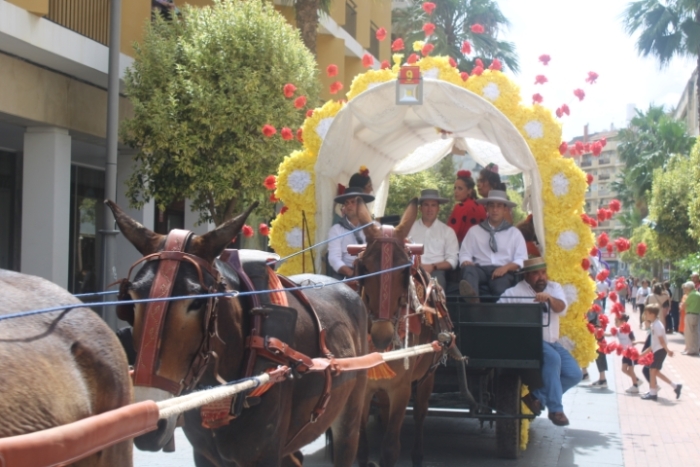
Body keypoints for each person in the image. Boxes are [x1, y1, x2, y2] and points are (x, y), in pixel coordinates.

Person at [499, 257, 581, 426]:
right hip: (529, 341)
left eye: (543, 272)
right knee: (553, 358)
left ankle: (537, 397)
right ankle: (556, 410)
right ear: (527, 275)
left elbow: (561, 308)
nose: (541, 277)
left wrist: (549, 298)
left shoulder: (554, 288)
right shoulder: (515, 292)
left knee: (575, 374)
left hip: (552, 342)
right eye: (536, 273)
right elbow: (498, 312)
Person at [458, 190, 528, 301]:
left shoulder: (514, 233)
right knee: (468, 270)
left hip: (503, 271)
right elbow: (464, 253)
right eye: (492, 206)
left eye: (499, 206)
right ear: (487, 208)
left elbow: (522, 259)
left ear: (505, 209)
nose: (495, 210)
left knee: (500, 287)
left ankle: (499, 315)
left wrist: (506, 268)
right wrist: (465, 261)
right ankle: (472, 302)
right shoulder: (474, 231)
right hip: (479, 269)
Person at [408, 189, 459, 290]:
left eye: (433, 205)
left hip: (436, 271)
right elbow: (401, 252)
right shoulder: (409, 229)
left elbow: (452, 260)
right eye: (426, 205)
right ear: (420, 208)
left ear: (438, 208)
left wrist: (433, 267)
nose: (429, 209)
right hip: (411, 269)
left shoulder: (447, 231)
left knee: (436, 291)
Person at [327, 187, 374, 279]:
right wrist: (351, 273)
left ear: (363, 205)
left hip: (371, 274)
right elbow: (333, 258)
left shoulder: (374, 227)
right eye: (346, 203)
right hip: (346, 275)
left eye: (353, 202)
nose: (349, 206)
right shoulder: (336, 229)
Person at [639, 304, 682, 401]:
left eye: (647, 313)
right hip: (658, 350)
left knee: (652, 371)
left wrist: (668, 351)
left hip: (660, 351)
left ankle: (653, 394)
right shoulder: (654, 324)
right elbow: (654, 344)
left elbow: (661, 341)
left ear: (652, 314)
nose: (645, 314)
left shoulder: (657, 325)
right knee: (655, 372)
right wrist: (642, 354)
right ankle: (675, 386)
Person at [447, 170, 486, 245]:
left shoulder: (460, 207)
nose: (456, 191)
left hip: (463, 248)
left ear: (469, 191)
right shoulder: (481, 206)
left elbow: (451, 234)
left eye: (460, 188)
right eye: (455, 188)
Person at [615, 314, 642, 393]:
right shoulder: (618, 331)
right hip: (625, 353)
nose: (615, 323)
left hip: (631, 353)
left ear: (623, 322)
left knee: (631, 370)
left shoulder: (629, 331)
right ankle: (636, 380)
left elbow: (633, 340)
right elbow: (611, 334)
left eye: (617, 321)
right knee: (623, 369)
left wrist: (634, 343)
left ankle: (635, 386)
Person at [681, 282, 700, 356]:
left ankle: (689, 350)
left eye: (685, 288)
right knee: (696, 334)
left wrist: (682, 305)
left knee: (689, 333)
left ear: (688, 288)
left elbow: (684, 305)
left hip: (690, 314)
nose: (685, 290)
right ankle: (695, 349)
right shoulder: (698, 294)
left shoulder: (691, 295)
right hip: (697, 315)